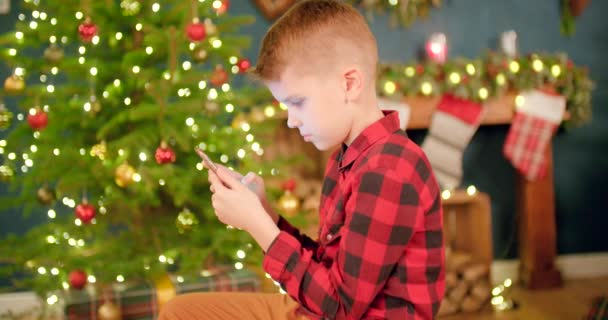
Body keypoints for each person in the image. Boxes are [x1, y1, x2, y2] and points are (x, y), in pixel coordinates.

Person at [159, 0, 444, 319]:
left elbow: (338, 306)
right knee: (181, 311)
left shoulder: (390, 169)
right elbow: (326, 270)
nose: (291, 120)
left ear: (349, 84)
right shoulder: (347, 158)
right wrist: (266, 214)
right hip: (319, 309)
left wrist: (257, 226)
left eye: (297, 102)